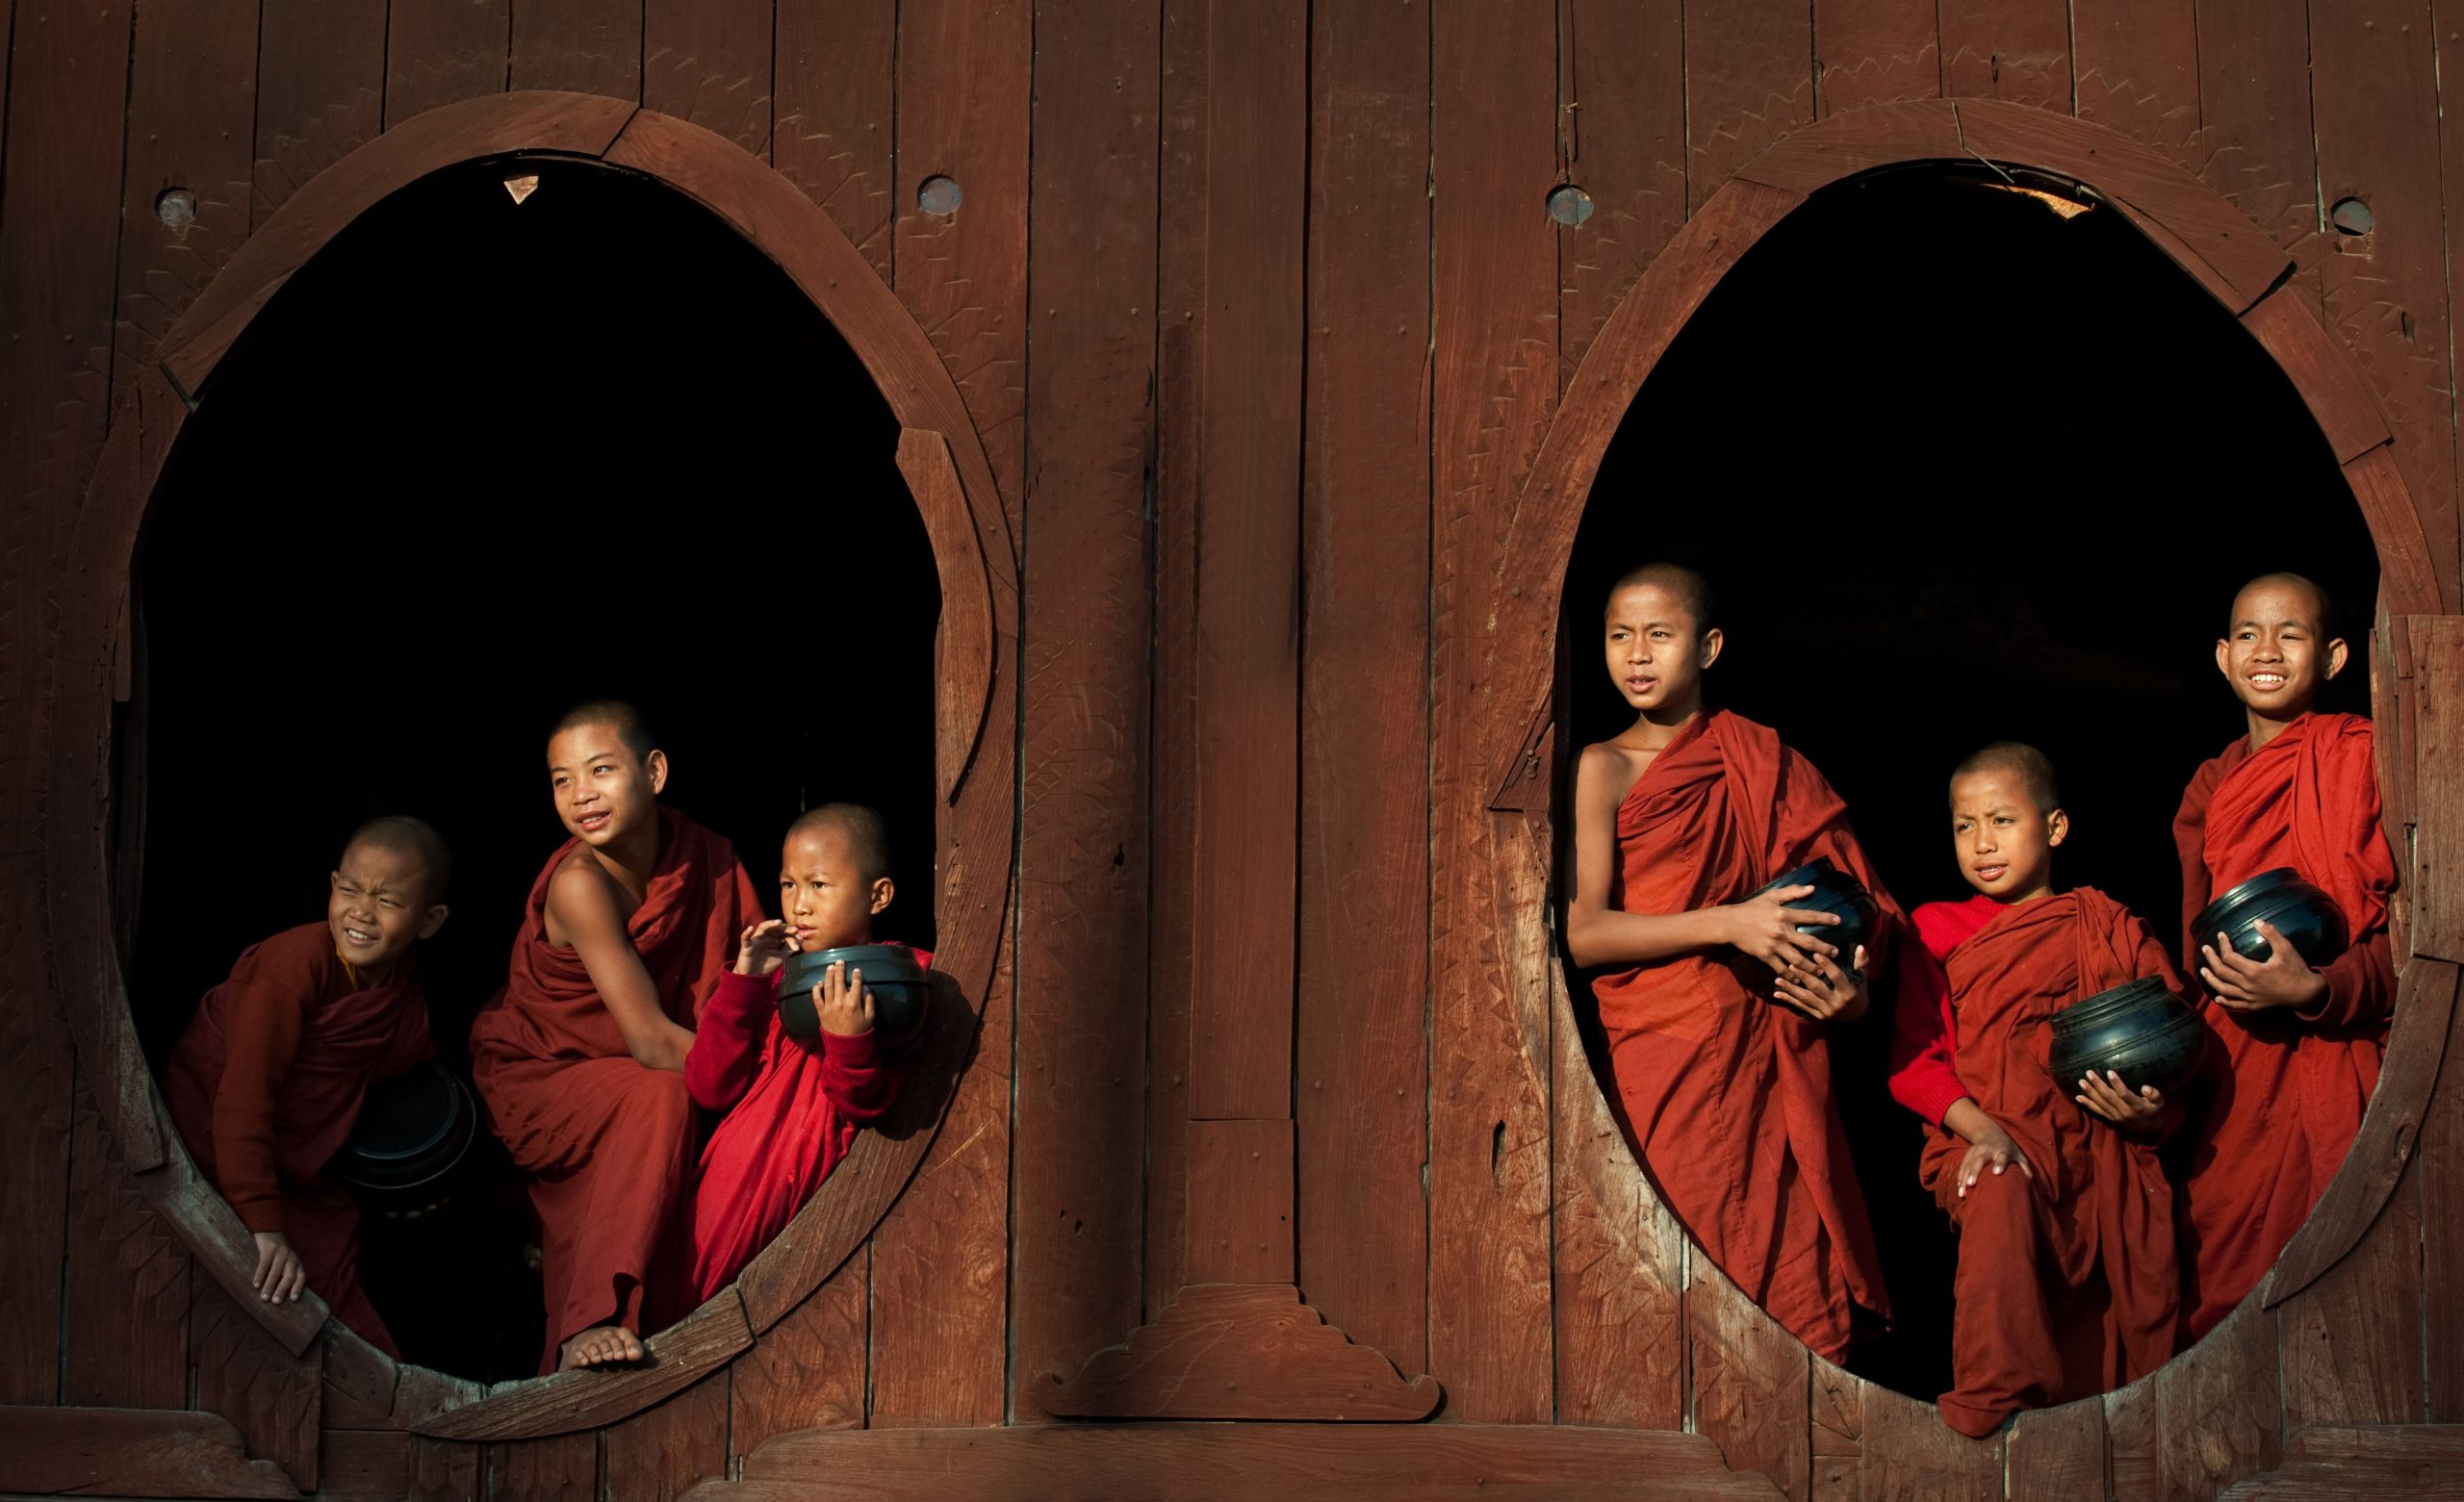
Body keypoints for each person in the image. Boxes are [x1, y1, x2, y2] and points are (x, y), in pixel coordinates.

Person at [1567, 562, 1923, 1361]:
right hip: (1661, 1047)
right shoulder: (1603, 766)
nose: (1637, 654)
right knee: (1670, 1257)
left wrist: (1851, 996)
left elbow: (1858, 913)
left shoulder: (1759, 760)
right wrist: (1733, 920)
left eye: (1660, 634)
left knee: (1775, 1256)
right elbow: (1587, 933)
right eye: (1620, 635)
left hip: (1762, 1046)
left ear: (1709, 646)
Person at [1899, 743, 2187, 1436]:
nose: (1982, 842)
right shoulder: (1935, 930)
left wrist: (2150, 1114)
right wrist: (1983, 1130)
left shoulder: (2106, 925)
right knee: (1998, 1187)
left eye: (2001, 819)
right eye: (1964, 825)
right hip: (1985, 1135)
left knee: (2103, 1333)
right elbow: (1914, 1060)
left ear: (2055, 828)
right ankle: (1997, 1395)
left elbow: (2172, 1040)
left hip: (2099, 1149)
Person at [467, 700, 762, 1371]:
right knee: (660, 1094)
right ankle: (590, 1321)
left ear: (654, 771)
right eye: (561, 779)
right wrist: (754, 1079)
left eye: (600, 769)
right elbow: (655, 1044)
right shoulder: (579, 883)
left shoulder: (707, 858)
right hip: (545, 1076)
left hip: (645, 1067)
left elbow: (759, 979)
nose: (580, 795)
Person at [2171, 573, 2397, 1341]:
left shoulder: (2366, 758)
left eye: (2290, 634)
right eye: (2247, 634)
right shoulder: (2210, 785)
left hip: (2345, 1039)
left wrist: (2318, 988)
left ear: (2334, 656)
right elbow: (2195, 949)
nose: (2266, 651)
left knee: (2349, 1280)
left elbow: (2423, 930)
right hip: (2240, 1067)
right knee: (2230, 1272)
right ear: (2222, 656)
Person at [163, 816, 450, 1356]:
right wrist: (263, 1227)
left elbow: (408, 1062)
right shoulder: (291, 967)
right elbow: (242, 1100)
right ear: (331, 886)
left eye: (387, 902)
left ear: (429, 921)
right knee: (280, 1306)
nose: (361, 913)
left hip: (298, 1182)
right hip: (211, 1161)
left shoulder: (397, 997)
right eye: (349, 891)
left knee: (347, 1316)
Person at [676, 803, 911, 1309]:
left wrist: (849, 1040)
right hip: (726, 1191)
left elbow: (869, 1107)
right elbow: (709, 1086)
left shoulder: (901, 981)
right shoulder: (777, 980)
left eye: (818, 886)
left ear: (879, 896)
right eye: (788, 885)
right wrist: (745, 981)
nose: (799, 905)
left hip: (805, 1216)